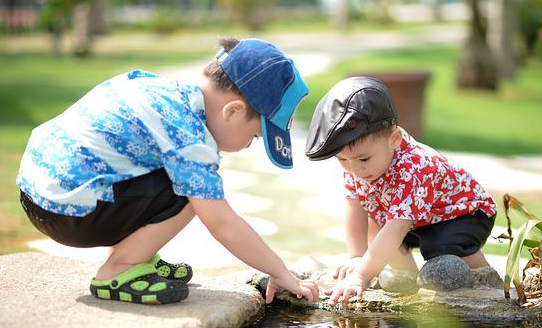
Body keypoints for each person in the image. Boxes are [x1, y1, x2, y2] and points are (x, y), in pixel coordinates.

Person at [17, 37, 319, 305]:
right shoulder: (188, 136)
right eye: (254, 137)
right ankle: (119, 270)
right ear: (234, 111)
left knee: (181, 178)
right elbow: (221, 222)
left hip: (39, 193)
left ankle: (137, 257)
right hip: (68, 213)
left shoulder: (163, 91)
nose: (248, 146)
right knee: (195, 193)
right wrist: (279, 271)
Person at [305, 76, 496, 307]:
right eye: (343, 160)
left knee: (439, 247)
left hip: (463, 214)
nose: (355, 169)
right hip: (418, 218)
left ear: (394, 139)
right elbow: (354, 205)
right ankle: (407, 282)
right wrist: (357, 256)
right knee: (377, 223)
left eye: (363, 158)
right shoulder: (359, 163)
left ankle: (486, 281)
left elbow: (397, 227)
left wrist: (361, 276)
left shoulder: (415, 167)